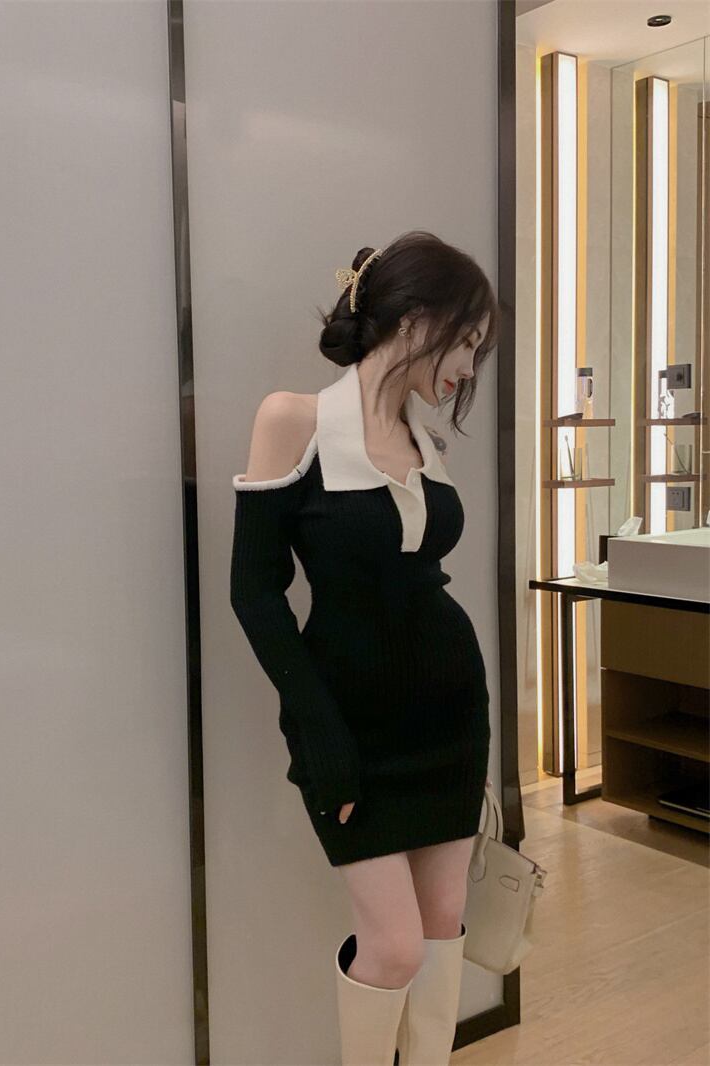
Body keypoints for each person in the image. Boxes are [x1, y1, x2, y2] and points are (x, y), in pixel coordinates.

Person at [229, 229, 499, 1065]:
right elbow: (255, 593)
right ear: (415, 319)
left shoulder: (427, 442)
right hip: (351, 722)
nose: (468, 369)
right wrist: (321, 734)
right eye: (466, 342)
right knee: (394, 948)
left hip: (450, 717)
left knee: (444, 926)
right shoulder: (294, 420)